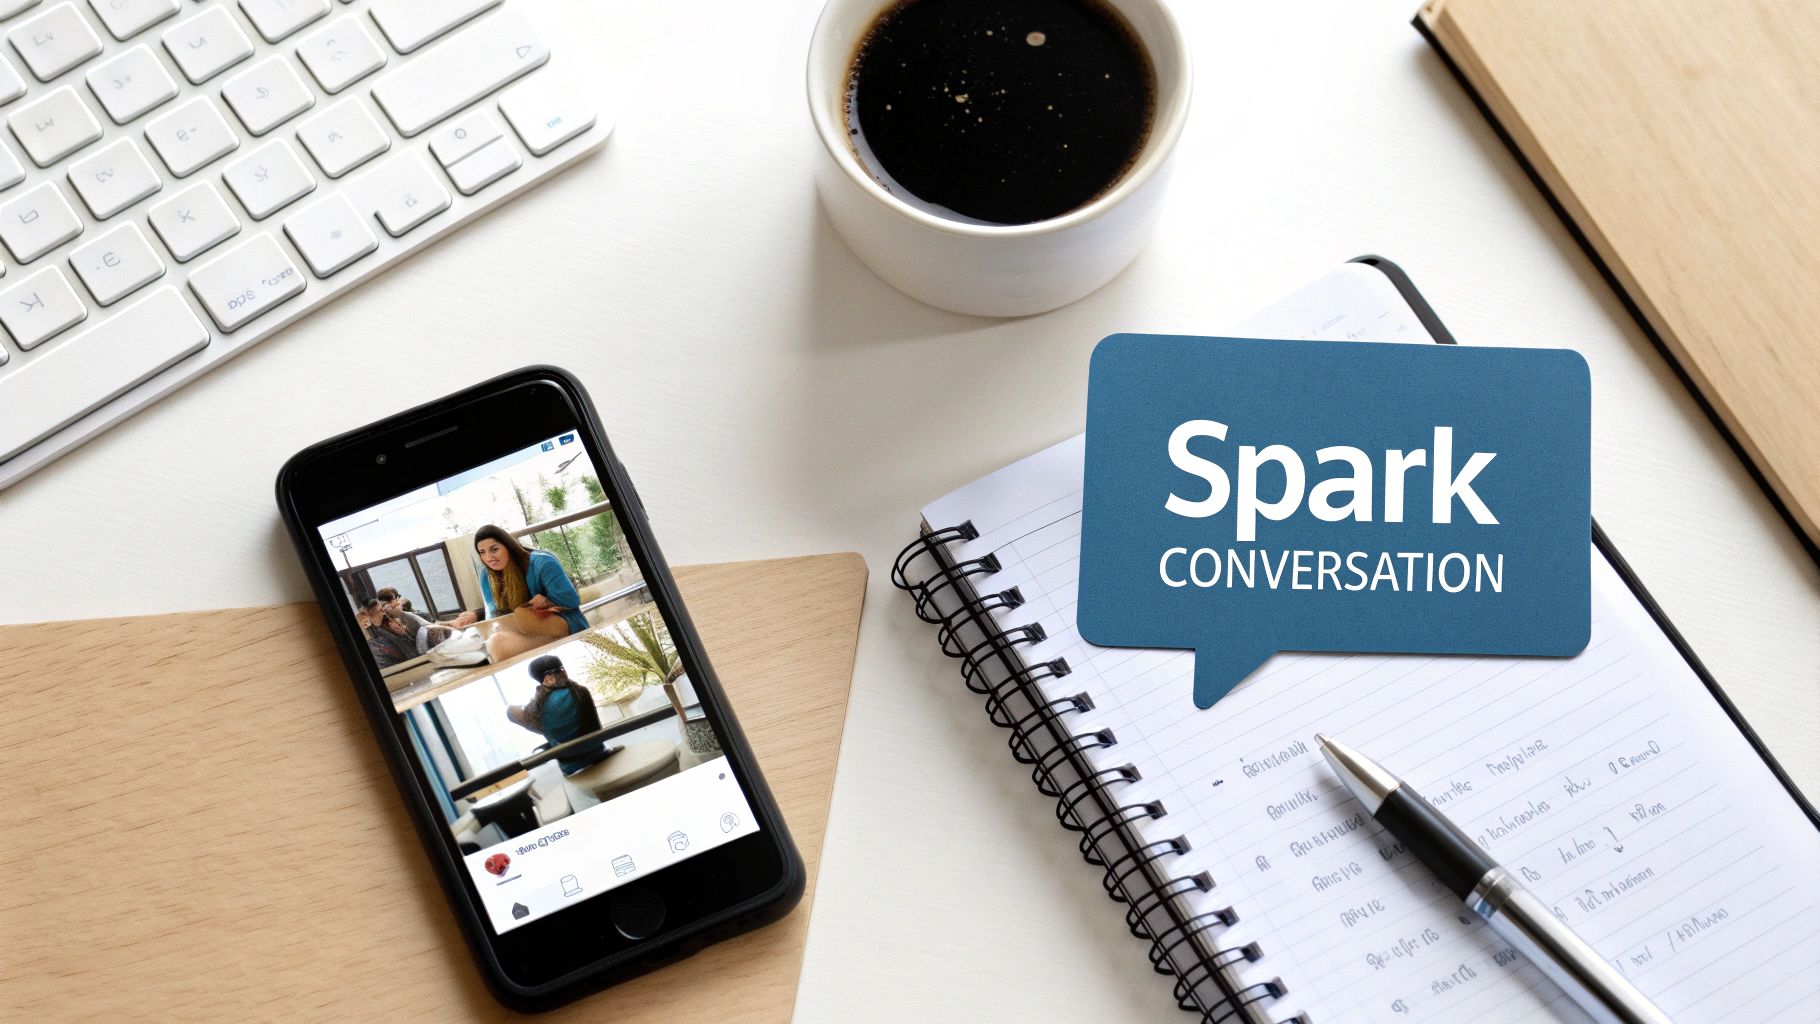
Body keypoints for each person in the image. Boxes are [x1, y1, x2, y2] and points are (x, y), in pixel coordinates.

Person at [449, 525, 588, 660]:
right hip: (518, 629)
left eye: (494, 549)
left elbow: (572, 600)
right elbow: (494, 615)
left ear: (508, 546)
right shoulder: (487, 576)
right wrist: (475, 615)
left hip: (562, 625)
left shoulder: (542, 562)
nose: (489, 557)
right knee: (497, 643)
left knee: (518, 619)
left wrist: (548, 600)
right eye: (482, 552)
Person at [507, 655, 606, 775]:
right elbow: (597, 728)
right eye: (562, 669)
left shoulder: (537, 707)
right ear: (548, 679)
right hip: (598, 754)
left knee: (513, 712)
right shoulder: (580, 692)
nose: (565, 672)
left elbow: (515, 713)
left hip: (569, 768)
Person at [358, 598, 417, 669]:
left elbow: (410, 641)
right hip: (393, 666)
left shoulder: (389, 622)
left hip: (408, 659)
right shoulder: (370, 633)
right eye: (380, 610)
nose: (383, 613)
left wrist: (404, 633)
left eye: (382, 610)